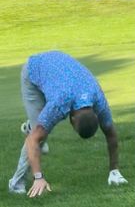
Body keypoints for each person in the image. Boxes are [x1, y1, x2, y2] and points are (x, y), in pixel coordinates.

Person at [8, 51, 128, 197]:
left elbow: (111, 134)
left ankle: (33, 126)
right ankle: (15, 184)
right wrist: (38, 177)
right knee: (37, 139)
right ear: (71, 119)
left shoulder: (99, 101)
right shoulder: (59, 104)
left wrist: (114, 171)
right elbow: (33, 140)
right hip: (33, 71)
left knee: (39, 134)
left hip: (57, 64)